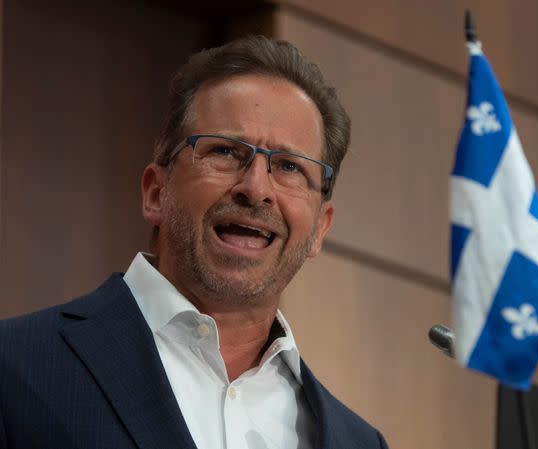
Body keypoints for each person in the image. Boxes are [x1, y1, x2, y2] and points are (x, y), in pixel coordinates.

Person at [0, 36, 388, 449]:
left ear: (320, 229)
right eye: (225, 152)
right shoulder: (14, 366)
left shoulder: (360, 442)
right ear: (155, 192)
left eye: (290, 167)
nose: (256, 189)